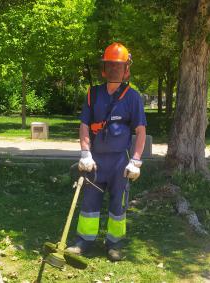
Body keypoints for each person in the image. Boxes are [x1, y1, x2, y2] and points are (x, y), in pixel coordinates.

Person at [67, 42, 146, 261]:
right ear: (104, 68)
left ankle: (114, 243)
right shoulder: (93, 94)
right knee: (89, 202)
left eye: (118, 66)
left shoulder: (133, 97)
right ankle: (84, 241)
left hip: (121, 162)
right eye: (110, 65)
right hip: (95, 161)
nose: (114, 70)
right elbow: (84, 124)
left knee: (118, 203)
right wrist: (85, 153)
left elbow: (140, 131)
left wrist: (136, 161)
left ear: (126, 69)